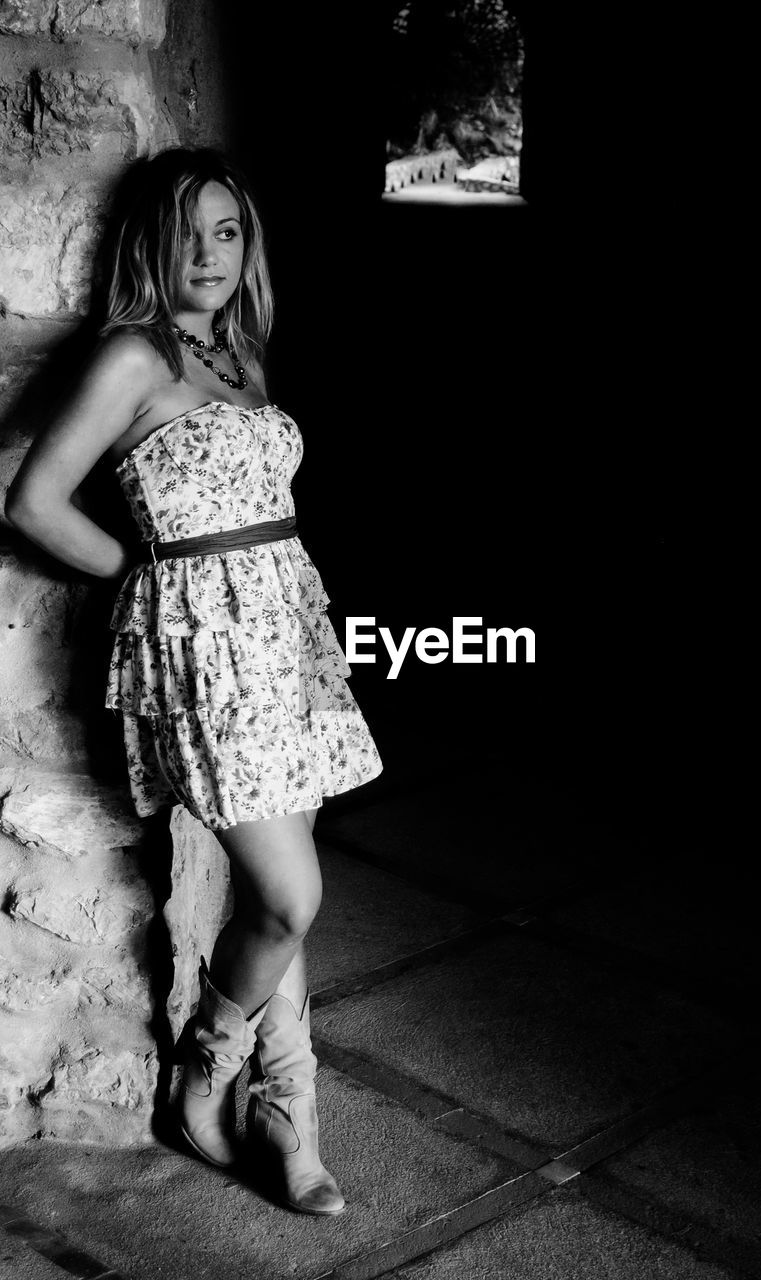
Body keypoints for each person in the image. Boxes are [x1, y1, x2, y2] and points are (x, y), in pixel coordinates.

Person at [4, 146, 383, 1216]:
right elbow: (34, 501)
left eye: (227, 232)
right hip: (202, 652)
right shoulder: (132, 356)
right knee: (288, 893)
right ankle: (202, 1076)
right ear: (148, 245)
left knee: (285, 891)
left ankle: (290, 1110)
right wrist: (145, 574)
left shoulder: (237, 356)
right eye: (188, 234)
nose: (210, 255)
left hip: (284, 639)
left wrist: (307, 624)